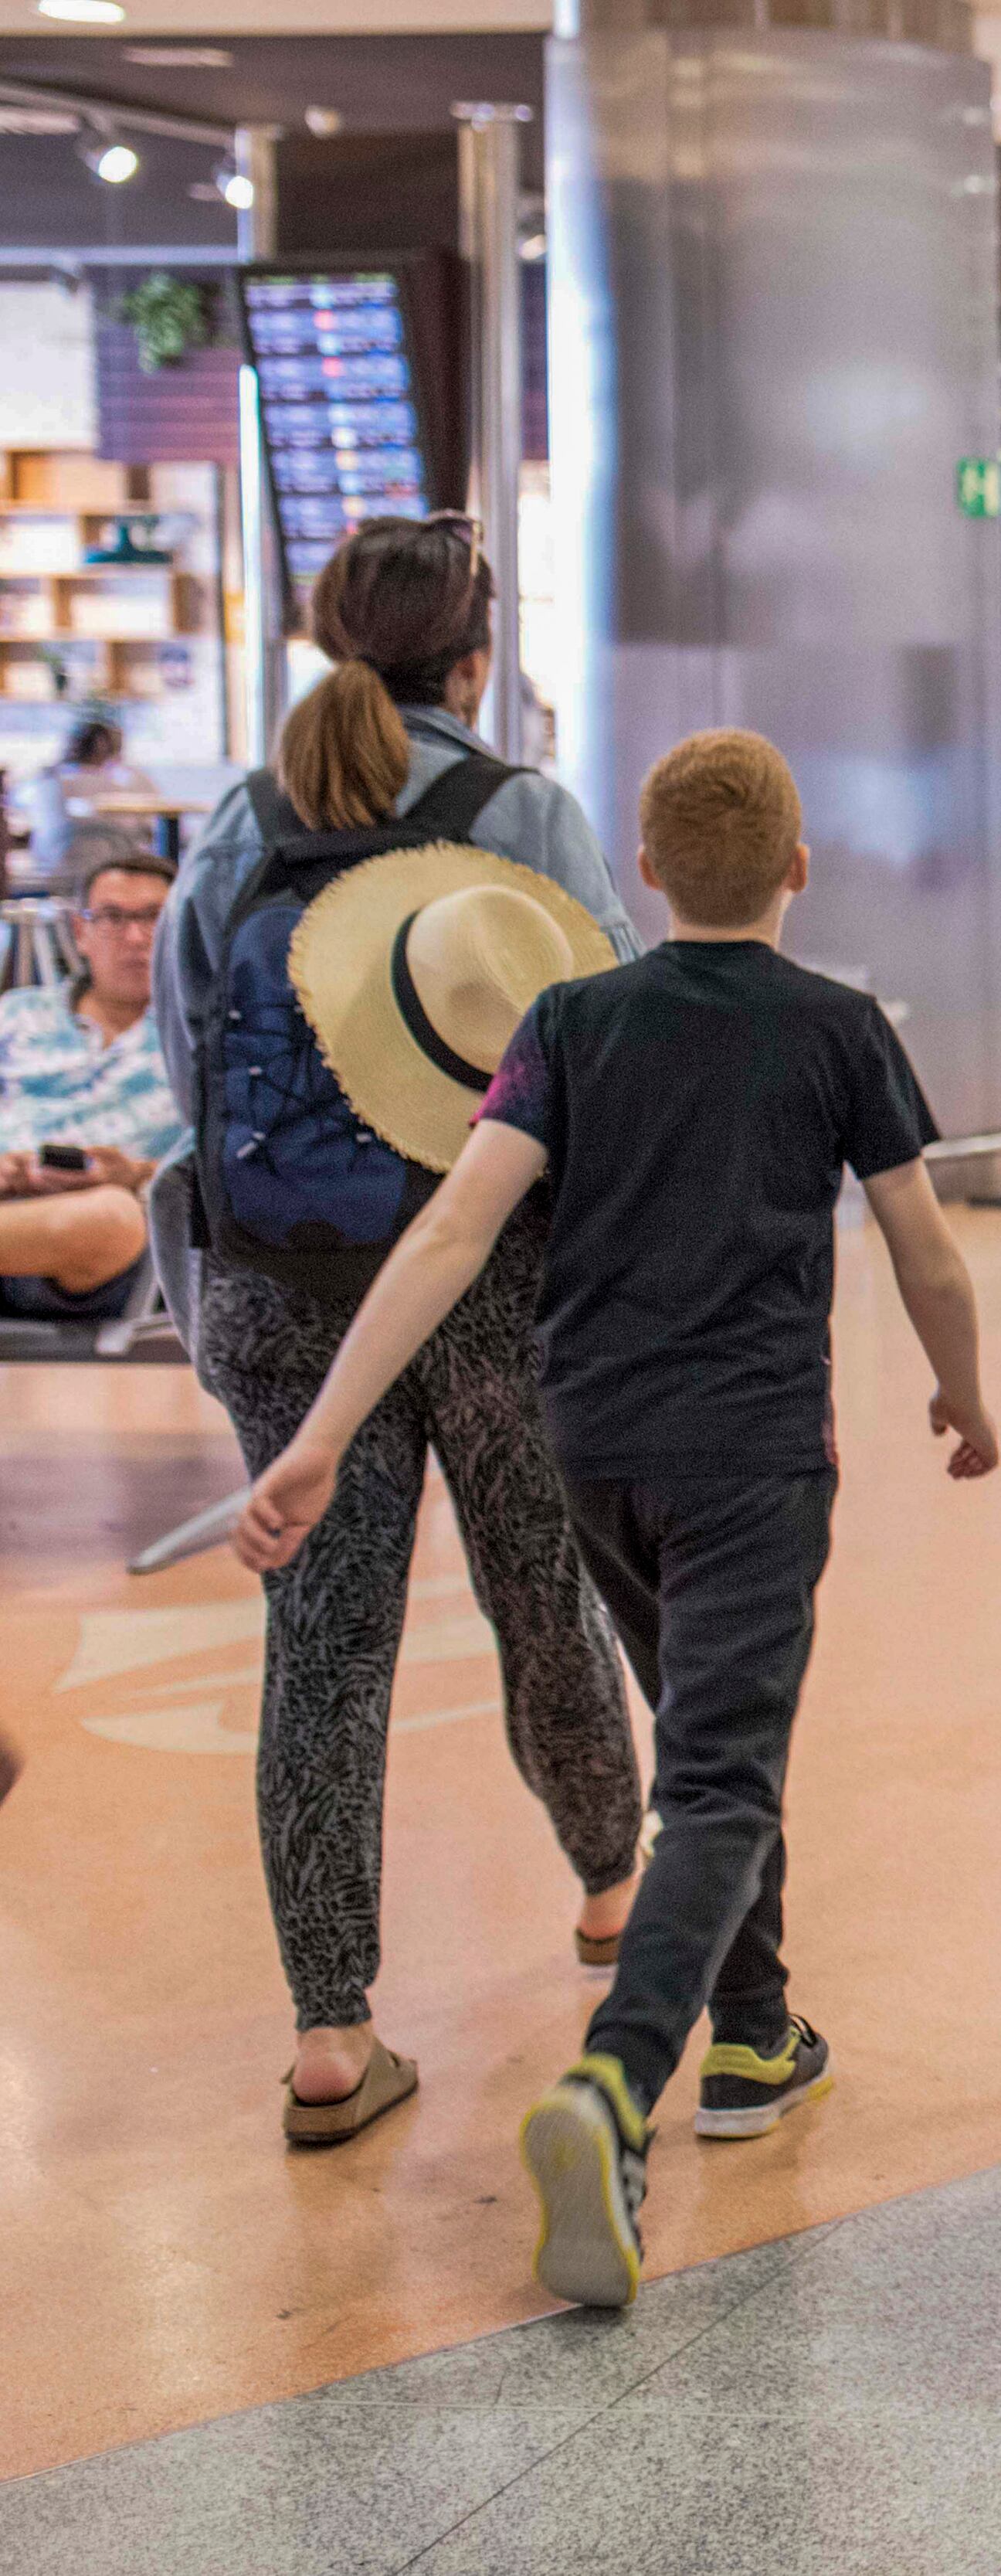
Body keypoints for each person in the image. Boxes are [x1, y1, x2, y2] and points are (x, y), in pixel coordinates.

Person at [232, 728, 997, 2309]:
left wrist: (317, 1437)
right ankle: (616, 2077)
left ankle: (760, 2026)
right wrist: (963, 1394)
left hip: (598, 1453)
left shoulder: (569, 1020)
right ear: (796, 868)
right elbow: (924, 1241)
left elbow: (455, 1225)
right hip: (756, 1453)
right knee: (719, 1774)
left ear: (643, 871)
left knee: (700, 1725)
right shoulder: (841, 1027)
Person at [153, 515, 646, 2144]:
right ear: (475, 652)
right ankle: (605, 1882)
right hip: (497, 1273)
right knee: (539, 1590)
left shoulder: (238, 823)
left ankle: (327, 2028)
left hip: (282, 1290)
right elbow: (605, 1039)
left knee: (325, 1643)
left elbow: (183, 1063)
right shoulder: (522, 815)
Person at [0, 844, 182, 1318]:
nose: (137, 937)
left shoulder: (201, 1035)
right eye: (113, 918)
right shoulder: (16, 1015)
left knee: (111, 1218)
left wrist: (133, 1174)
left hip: (92, 1242)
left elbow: (223, 1171)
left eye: (153, 917)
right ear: (81, 931)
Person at [18, 713, 156, 860]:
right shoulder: (126, 782)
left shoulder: (45, 781)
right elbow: (149, 830)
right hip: (114, 869)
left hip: (52, 868)